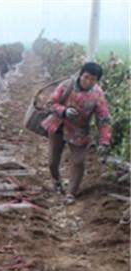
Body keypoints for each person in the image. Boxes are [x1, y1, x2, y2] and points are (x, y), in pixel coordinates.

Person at [41, 62, 112, 205]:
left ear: (97, 80)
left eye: (93, 79)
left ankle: (71, 193)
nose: (88, 82)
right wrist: (63, 111)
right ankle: (56, 181)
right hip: (58, 126)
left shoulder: (97, 95)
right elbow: (50, 104)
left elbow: (104, 118)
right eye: (86, 77)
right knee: (52, 161)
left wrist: (105, 140)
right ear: (81, 74)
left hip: (79, 131)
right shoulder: (66, 86)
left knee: (78, 162)